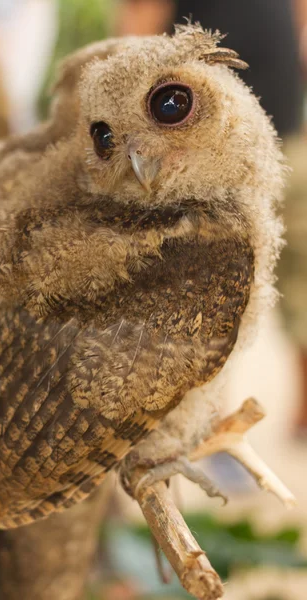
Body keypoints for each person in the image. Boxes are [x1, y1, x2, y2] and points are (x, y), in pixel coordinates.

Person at [118, 0, 307, 436]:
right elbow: (136, 36)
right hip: (208, 153)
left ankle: (305, 416)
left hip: (285, 133)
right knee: (216, 299)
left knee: (299, 280)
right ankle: (206, 428)